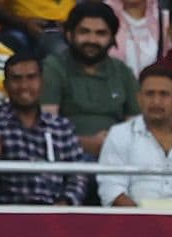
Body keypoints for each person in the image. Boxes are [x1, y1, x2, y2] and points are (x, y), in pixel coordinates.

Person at [0, 53, 88, 205]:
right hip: (8, 216)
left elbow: (78, 175)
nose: (24, 85)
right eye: (16, 79)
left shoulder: (61, 127)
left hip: (56, 216)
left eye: (31, 77)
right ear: (5, 85)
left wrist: (66, 203)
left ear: (42, 82)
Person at [42, 1, 139, 159]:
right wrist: (85, 143)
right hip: (68, 157)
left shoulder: (123, 72)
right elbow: (46, 130)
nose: (92, 40)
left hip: (119, 158)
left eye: (101, 33)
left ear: (112, 38)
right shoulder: (54, 68)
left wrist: (112, 145)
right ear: (69, 34)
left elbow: (137, 127)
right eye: (84, 32)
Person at [98, 64, 172, 206]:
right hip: (135, 223)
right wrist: (143, 220)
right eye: (150, 94)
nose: (156, 102)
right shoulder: (119, 134)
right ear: (139, 98)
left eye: (164, 94)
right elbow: (112, 189)